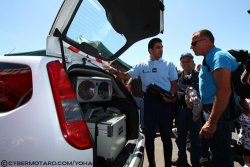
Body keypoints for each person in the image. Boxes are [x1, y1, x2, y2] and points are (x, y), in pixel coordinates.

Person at [105, 37, 178, 167]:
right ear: (150, 50)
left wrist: (170, 96)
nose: (161, 50)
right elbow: (126, 75)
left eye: (162, 47)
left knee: (166, 137)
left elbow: (174, 85)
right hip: (149, 102)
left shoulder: (169, 64)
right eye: (157, 47)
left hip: (165, 103)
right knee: (149, 137)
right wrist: (115, 71)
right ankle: (152, 164)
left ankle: (167, 165)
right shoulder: (141, 65)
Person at [190, 29, 238, 167]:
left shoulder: (218, 56)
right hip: (213, 110)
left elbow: (224, 91)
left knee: (221, 154)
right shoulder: (210, 57)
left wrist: (212, 121)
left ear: (207, 41)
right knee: (217, 152)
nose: (191, 47)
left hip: (218, 111)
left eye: (194, 43)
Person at [172, 52, 202, 167]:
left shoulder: (199, 76)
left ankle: (196, 163)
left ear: (193, 62)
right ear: (180, 63)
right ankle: (182, 160)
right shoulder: (177, 76)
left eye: (188, 61)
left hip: (195, 112)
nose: (186, 63)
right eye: (183, 61)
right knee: (180, 138)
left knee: (195, 140)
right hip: (180, 112)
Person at [235, 98, 250, 167]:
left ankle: (247, 164)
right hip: (246, 139)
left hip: (246, 140)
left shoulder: (245, 115)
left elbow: (238, 119)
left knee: (246, 154)